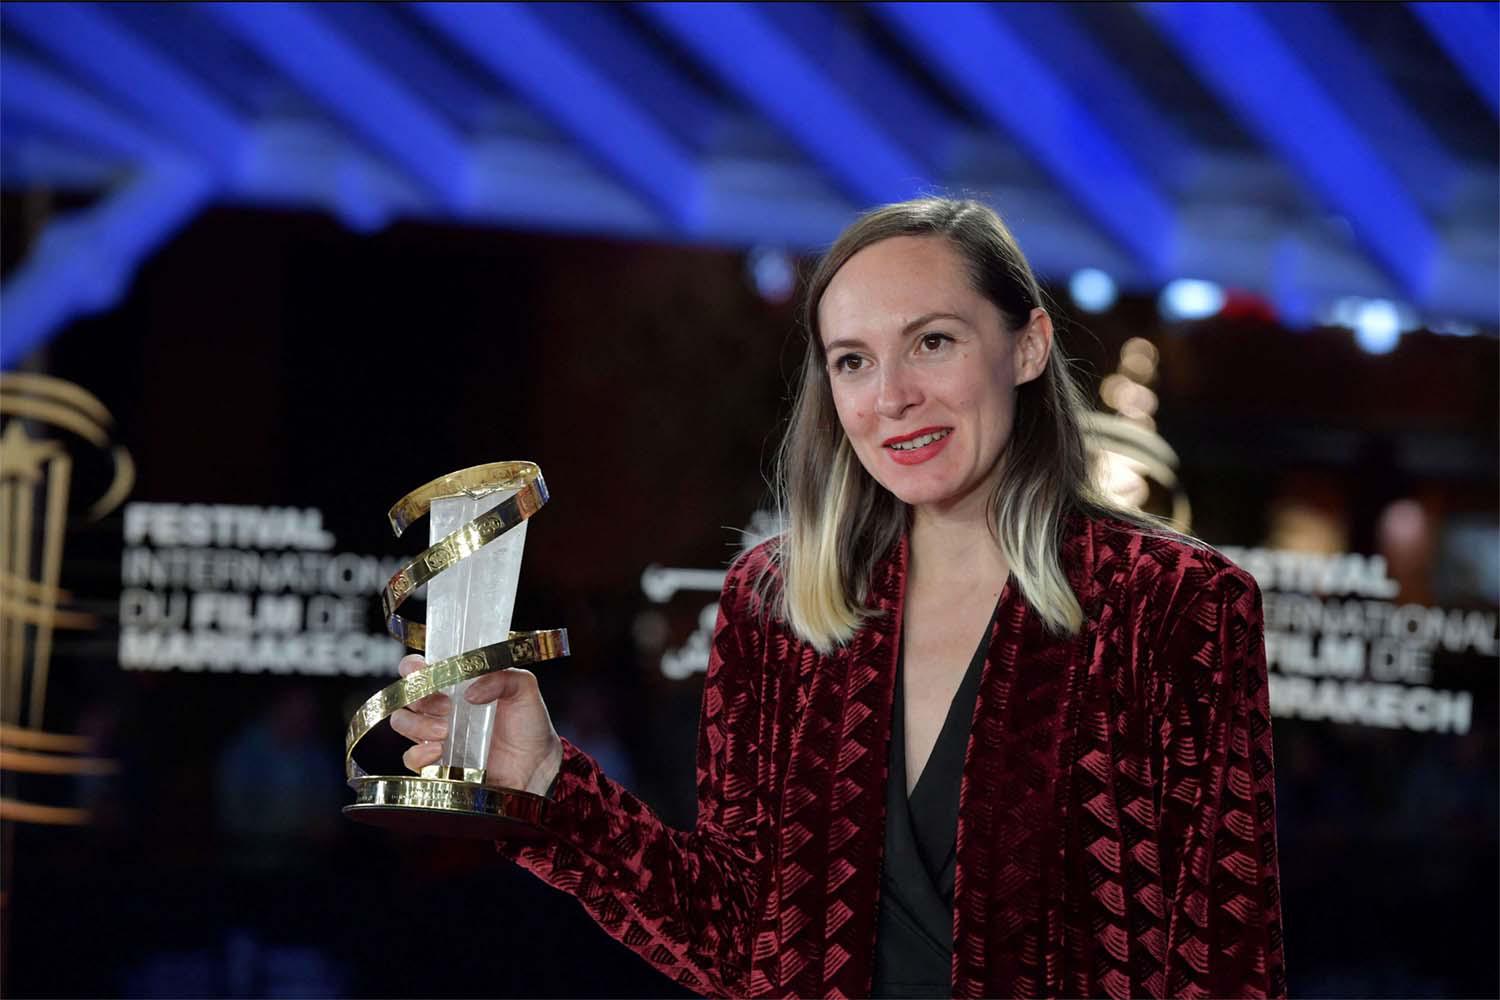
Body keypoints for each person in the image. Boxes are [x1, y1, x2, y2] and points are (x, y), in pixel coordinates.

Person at [392, 198, 1287, 999]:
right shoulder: (776, 604)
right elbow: (735, 940)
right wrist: (547, 781)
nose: (892, 396)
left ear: (1028, 346)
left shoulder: (1176, 606)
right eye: (853, 361)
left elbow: (1229, 962)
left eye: (933, 341)